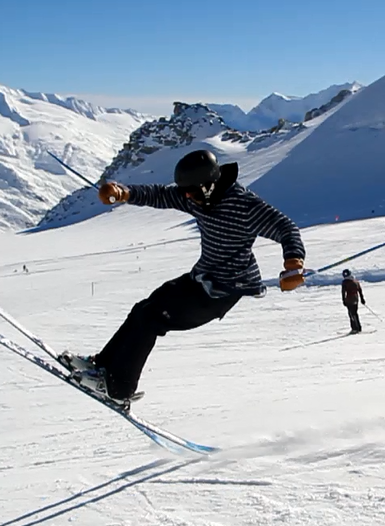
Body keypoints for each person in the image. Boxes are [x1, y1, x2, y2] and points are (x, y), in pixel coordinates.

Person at [58, 149, 307, 407]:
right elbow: (161, 195)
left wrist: (293, 262)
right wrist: (125, 192)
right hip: (200, 278)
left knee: (151, 318)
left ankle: (119, 389)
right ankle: (102, 366)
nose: (187, 197)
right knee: (142, 309)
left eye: (192, 191)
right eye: (185, 191)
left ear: (210, 184)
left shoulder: (244, 206)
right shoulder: (196, 196)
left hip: (223, 290)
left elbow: (285, 228)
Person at [341, 269, 366, 334]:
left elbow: (343, 292)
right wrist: (362, 299)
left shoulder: (345, 282)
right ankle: (359, 327)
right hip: (356, 299)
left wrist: (343, 300)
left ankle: (354, 328)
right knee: (355, 313)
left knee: (351, 314)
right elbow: (360, 290)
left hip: (349, 300)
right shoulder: (355, 281)